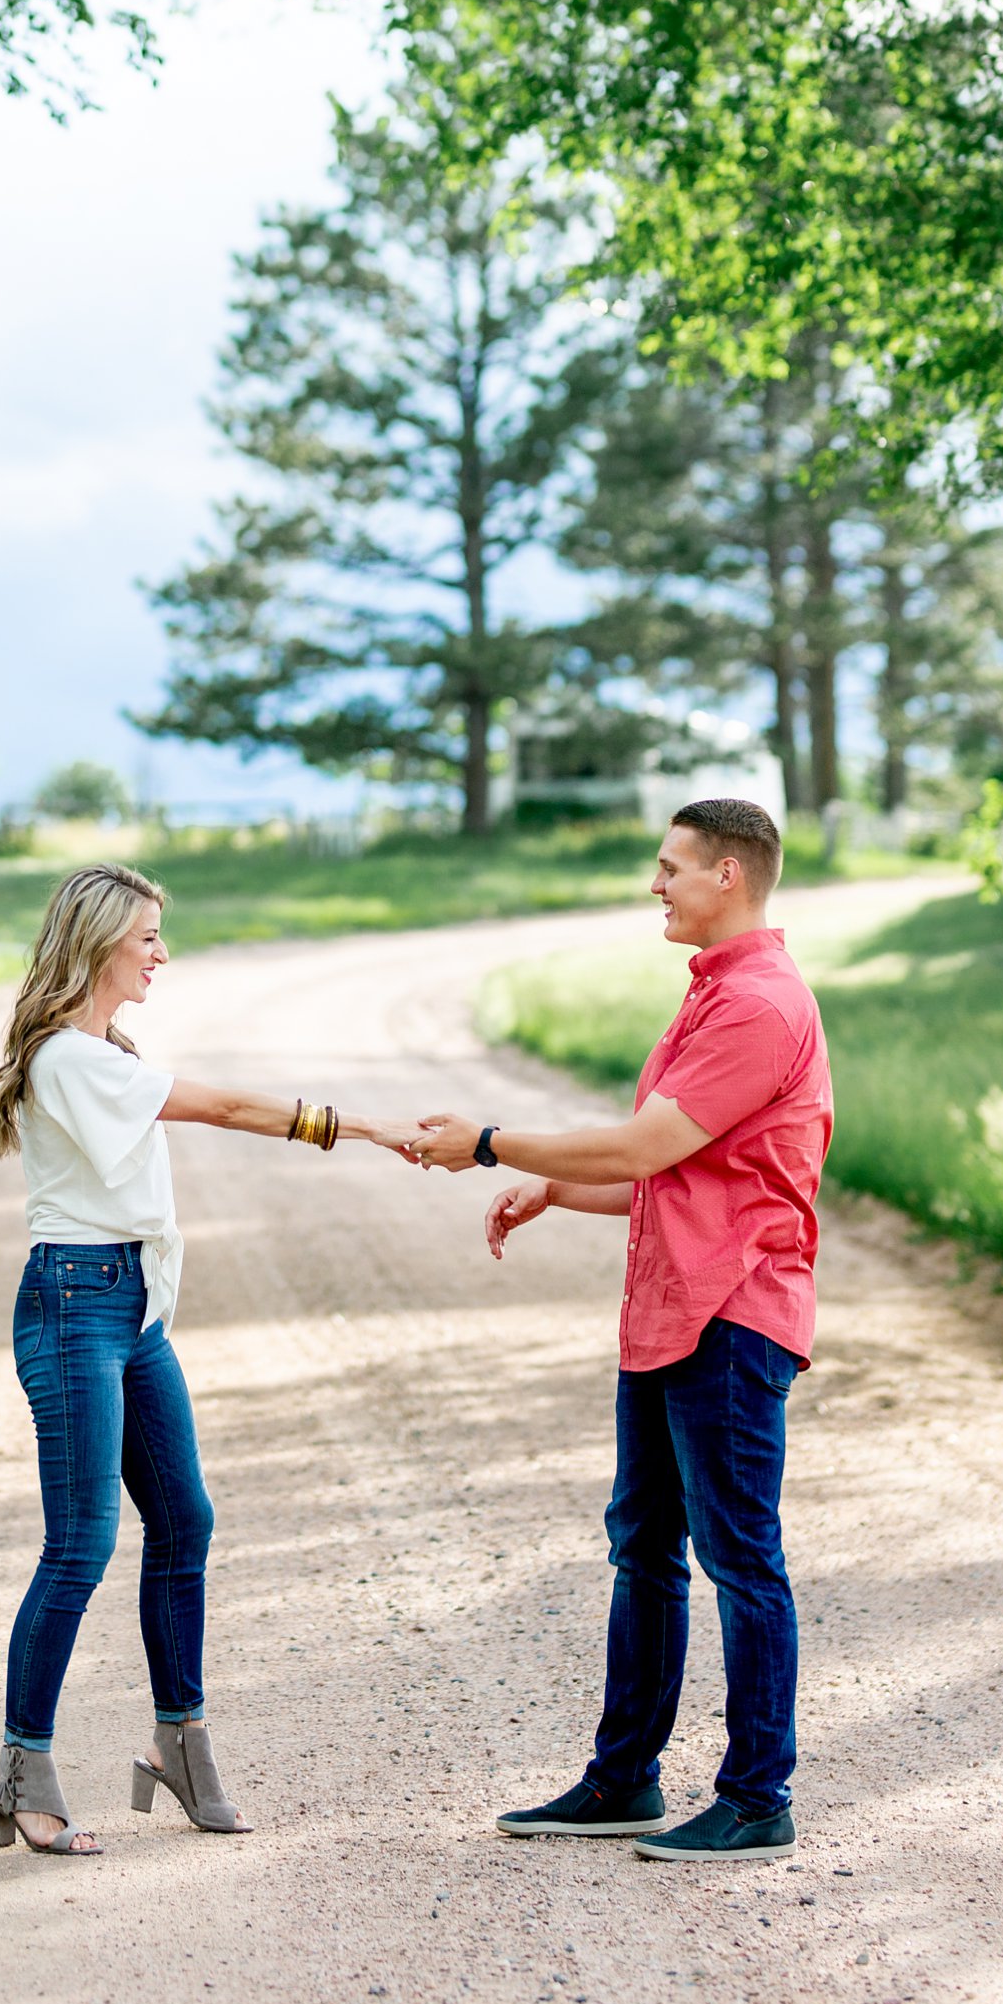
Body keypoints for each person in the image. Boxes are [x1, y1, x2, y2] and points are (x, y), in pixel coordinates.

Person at [406, 796, 831, 1865]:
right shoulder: (709, 995)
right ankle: (622, 1779)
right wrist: (554, 1189)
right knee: (643, 1545)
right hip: (670, 1311)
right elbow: (676, 1169)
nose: (655, 883)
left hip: (731, 1315)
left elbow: (646, 1144)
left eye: (669, 866)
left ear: (726, 875)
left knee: (740, 1556)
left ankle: (755, 1796)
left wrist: (493, 1144)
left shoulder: (757, 1007)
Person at [0, 857, 408, 1857]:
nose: (160, 955)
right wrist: (360, 1126)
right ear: (95, 943)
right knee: (80, 1540)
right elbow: (218, 1108)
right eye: (146, 939)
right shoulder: (65, 1058)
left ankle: (179, 1745)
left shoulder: (104, 1049)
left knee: (183, 1519)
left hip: (127, 1308)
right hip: (70, 1302)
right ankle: (19, 1770)